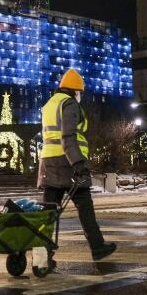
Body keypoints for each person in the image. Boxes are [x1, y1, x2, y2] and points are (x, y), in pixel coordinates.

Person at [40, 68, 116, 260]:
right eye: (80, 92)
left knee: (48, 212)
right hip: (68, 163)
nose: (80, 95)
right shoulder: (69, 103)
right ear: (75, 91)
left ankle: (41, 255)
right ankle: (98, 247)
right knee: (85, 207)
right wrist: (78, 164)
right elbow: (68, 137)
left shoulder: (49, 104)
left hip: (48, 163)